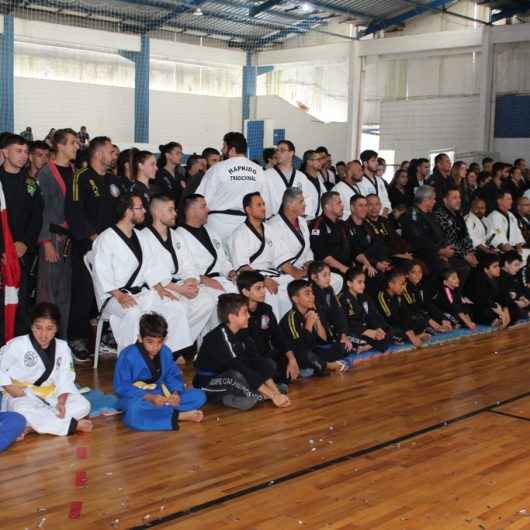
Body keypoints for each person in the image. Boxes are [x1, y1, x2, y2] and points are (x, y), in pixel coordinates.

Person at [92, 194, 193, 355]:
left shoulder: (139, 236)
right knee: (133, 313)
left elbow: (150, 266)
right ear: (128, 211)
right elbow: (101, 272)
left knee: (175, 306)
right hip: (113, 297)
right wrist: (119, 296)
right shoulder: (106, 238)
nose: (145, 211)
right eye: (140, 208)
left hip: (142, 293)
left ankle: (167, 356)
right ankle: (130, 362)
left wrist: (160, 288)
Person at [66, 136, 121, 359]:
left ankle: (107, 335)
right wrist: (91, 235)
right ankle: (77, 338)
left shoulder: (112, 181)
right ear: (98, 153)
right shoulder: (81, 176)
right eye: (110, 151)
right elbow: (73, 210)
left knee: (111, 290)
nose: (113, 155)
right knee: (84, 292)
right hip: (87, 245)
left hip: (111, 248)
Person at [0, 302, 92, 436]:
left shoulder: (62, 347)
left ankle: (34, 426)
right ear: (31, 326)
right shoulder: (18, 344)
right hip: (21, 395)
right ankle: (72, 425)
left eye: (50, 328)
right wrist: (9, 387)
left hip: (50, 394)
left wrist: (61, 401)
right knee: (21, 410)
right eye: (38, 328)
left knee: (83, 405)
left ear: (56, 329)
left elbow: (65, 378)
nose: (43, 334)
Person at [139, 195, 216, 345]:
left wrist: (192, 281)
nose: (175, 213)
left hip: (180, 285)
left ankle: (178, 344)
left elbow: (188, 263)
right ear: (156, 212)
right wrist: (180, 289)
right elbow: (149, 272)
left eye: (174, 209)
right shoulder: (144, 237)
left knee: (207, 301)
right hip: (158, 288)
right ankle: (173, 349)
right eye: (170, 210)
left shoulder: (176, 236)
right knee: (177, 306)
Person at [193, 293, 290, 410]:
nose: (249, 316)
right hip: (208, 383)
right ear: (232, 317)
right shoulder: (218, 338)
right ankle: (249, 397)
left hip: (233, 374)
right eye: (245, 313)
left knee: (267, 363)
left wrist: (275, 392)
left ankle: (251, 395)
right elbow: (239, 368)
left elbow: (256, 360)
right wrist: (274, 395)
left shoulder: (242, 331)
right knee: (235, 377)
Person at [113, 313, 206, 431]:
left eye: (159, 342)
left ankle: (160, 413)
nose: (155, 347)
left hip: (161, 396)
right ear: (140, 338)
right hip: (136, 397)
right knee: (134, 411)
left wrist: (176, 394)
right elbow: (121, 387)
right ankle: (178, 416)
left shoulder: (165, 352)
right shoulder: (127, 355)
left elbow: (172, 376)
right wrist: (149, 397)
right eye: (150, 342)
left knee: (199, 396)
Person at [37, 128, 79, 338]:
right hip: (52, 237)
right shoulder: (46, 173)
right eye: (72, 143)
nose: (76, 146)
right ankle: (44, 338)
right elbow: (42, 210)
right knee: (48, 292)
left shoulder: (75, 172)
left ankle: (60, 341)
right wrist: (45, 242)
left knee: (65, 293)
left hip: (70, 240)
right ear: (60, 145)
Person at [0, 134, 43, 338]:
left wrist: (25, 243)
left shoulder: (31, 183)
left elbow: (36, 218)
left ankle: (16, 350)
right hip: (3, 252)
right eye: (18, 151)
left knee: (21, 304)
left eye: (26, 152)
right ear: (5, 153)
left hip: (22, 254)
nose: (24, 156)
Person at [196, 132, 270, 240]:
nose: (222, 150)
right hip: (248, 227)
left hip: (218, 227)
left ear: (232, 150)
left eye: (224, 147)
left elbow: (200, 199)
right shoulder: (259, 171)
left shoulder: (217, 169)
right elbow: (265, 203)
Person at [268, 188, 343, 294]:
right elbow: (278, 258)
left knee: (336, 280)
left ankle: (319, 307)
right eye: (301, 201)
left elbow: (307, 250)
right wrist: (297, 272)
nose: (305, 205)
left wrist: (310, 264)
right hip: (285, 273)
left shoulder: (302, 222)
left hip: (304, 270)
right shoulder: (272, 225)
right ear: (290, 204)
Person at [229, 192, 290, 318]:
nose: (263, 208)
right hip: (254, 279)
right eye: (259, 205)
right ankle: (273, 333)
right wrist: (263, 280)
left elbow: (281, 259)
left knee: (296, 286)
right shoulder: (239, 234)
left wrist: (299, 273)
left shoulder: (269, 229)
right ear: (248, 209)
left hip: (273, 274)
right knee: (269, 293)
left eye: (263, 204)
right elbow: (243, 268)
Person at [237, 271, 300, 384]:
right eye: (258, 288)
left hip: (266, 354)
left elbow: (278, 336)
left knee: (294, 357)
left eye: (263, 287)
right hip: (248, 359)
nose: (263, 291)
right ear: (246, 292)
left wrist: (292, 358)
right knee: (270, 368)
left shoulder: (266, 309)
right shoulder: (239, 313)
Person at [401, 185, 466, 293]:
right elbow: (419, 240)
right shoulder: (412, 215)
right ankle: (438, 299)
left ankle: (452, 298)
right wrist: (439, 252)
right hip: (421, 254)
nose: (435, 202)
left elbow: (439, 234)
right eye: (433, 199)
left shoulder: (430, 214)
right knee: (446, 268)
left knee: (462, 265)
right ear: (426, 200)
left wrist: (445, 248)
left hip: (435, 252)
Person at [280, 279, 351, 373]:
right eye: (307, 294)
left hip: (313, 351)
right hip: (295, 354)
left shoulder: (311, 312)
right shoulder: (291, 318)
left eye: (312, 293)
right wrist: (308, 324)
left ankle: (318, 365)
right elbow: (300, 347)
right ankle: (329, 366)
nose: (312, 297)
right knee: (305, 355)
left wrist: (317, 322)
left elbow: (323, 340)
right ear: (295, 299)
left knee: (342, 347)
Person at [177, 194, 237, 304]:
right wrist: (203, 279)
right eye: (203, 206)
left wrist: (231, 272)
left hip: (221, 280)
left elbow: (223, 260)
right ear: (191, 210)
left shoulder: (211, 232)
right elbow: (182, 268)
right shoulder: (178, 236)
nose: (208, 210)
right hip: (200, 284)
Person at [338, 267, 392, 353]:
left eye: (364, 282)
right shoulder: (342, 299)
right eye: (359, 282)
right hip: (352, 332)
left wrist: (377, 328)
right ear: (349, 283)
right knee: (350, 341)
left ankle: (367, 346)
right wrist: (365, 331)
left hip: (366, 329)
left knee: (387, 331)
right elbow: (343, 323)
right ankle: (369, 344)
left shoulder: (365, 296)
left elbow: (373, 315)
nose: (363, 285)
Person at [376, 270, 431, 348]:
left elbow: (405, 313)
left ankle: (408, 337)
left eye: (404, 284)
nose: (404, 287)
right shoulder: (382, 296)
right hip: (389, 324)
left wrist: (409, 329)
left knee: (421, 321)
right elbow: (391, 318)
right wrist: (408, 331)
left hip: (400, 323)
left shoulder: (398, 295)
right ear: (391, 285)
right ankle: (410, 337)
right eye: (401, 284)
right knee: (391, 332)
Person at [308, 261, 353, 355]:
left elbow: (338, 311)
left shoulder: (329, 289)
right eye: (325, 275)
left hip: (331, 332)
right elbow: (319, 320)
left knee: (349, 343)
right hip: (319, 337)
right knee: (344, 348)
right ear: (313, 277)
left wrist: (343, 334)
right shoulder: (309, 294)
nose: (328, 278)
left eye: (329, 275)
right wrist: (334, 338)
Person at [433, 187, 477, 281]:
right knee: (464, 268)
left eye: (459, 197)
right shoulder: (439, 215)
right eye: (454, 198)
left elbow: (466, 235)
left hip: (462, 251)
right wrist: (465, 255)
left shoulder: (458, 215)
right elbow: (449, 240)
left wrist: (470, 251)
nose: (459, 200)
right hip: (449, 252)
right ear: (445, 200)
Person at [403, 260, 453, 334]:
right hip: (410, 316)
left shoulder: (420, 285)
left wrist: (443, 319)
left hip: (421, 314)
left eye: (420, 272)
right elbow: (413, 309)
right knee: (420, 323)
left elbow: (427, 304)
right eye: (413, 272)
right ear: (406, 274)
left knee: (448, 319)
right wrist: (434, 324)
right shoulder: (404, 288)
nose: (417, 275)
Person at [310, 191, 352, 276]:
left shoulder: (343, 224)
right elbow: (321, 254)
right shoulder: (317, 225)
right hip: (328, 271)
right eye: (339, 203)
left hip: (346, 266)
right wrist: (343, 268)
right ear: (327, 207)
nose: (342, 206)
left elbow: (351, 248)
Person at [365, 194, 412, 267]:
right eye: (370, 205)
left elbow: (396, 237)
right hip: (381, 258)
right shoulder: (364, 223)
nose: (374, 208)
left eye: (377, 204)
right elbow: (377, 246)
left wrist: (405, 251)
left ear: (380, 206)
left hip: (395, 254)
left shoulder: (384, 220)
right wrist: (398, 255)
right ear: (366, 207)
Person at [263, 140, 308, 216]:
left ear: (291, 153)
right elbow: (264, 198)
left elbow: (307, 198)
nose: (278, 153)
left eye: (282, 150)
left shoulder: (301, 176)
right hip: (274, 220)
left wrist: (304, 215)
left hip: (297, 219)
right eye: (277, 150)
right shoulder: (267, 174)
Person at [465, 255, 512, 328]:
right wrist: (499, 311)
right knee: (484, 311)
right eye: (495, 266)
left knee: (512, 309)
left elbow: (503, 295)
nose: (498, 269)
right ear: (486, 269)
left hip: (493, 305)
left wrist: (506, 311)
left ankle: (498, 319)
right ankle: (495, 320)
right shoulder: (478, 278)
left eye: (498, 266)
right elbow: (482, 300)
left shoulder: (500, 276)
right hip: (477, 306)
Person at [486, 191, 528, 261]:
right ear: (499, 201)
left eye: (511, 199)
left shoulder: (511, 215)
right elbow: (497, 234)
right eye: (508, 199)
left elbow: (517, 232)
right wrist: (507, 248)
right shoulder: (493, 216)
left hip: (512, 250)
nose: (511, 201)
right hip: (499, 251)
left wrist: (518, 246)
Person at [358, 150, 391, 214]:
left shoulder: (379, 180)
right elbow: (363, 203)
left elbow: (386, 200)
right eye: (373, 161)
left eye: (376, 160)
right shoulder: (360, 181)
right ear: (365, 163)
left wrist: (384, 213)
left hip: (383, 216)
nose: (377, 163)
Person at [155, 142, 184, 207]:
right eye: (177, 153)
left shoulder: (181, 176)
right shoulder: (159, 174)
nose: (180, 156)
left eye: (181, 153)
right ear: (167, 155)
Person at [300, 149, 326, 220]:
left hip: (317, 220)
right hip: (305, 220)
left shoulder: (318, 180)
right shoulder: (300, 179)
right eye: (318, 160)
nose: (321, 162)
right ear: (309, 162)